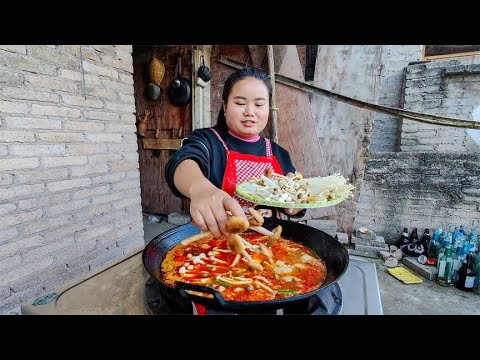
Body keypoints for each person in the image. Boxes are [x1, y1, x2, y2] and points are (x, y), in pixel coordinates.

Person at [165, 67, 305, 239]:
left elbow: (296, 207)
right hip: (213, 246)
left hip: (269, 246)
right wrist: (199, 188)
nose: (250, 112)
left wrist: (295, 202)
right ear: (224, 106)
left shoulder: (279, 153)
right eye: (240, 103)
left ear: (269, 108)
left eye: (259, 104)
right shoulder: (208, 140)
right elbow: (182, 161)